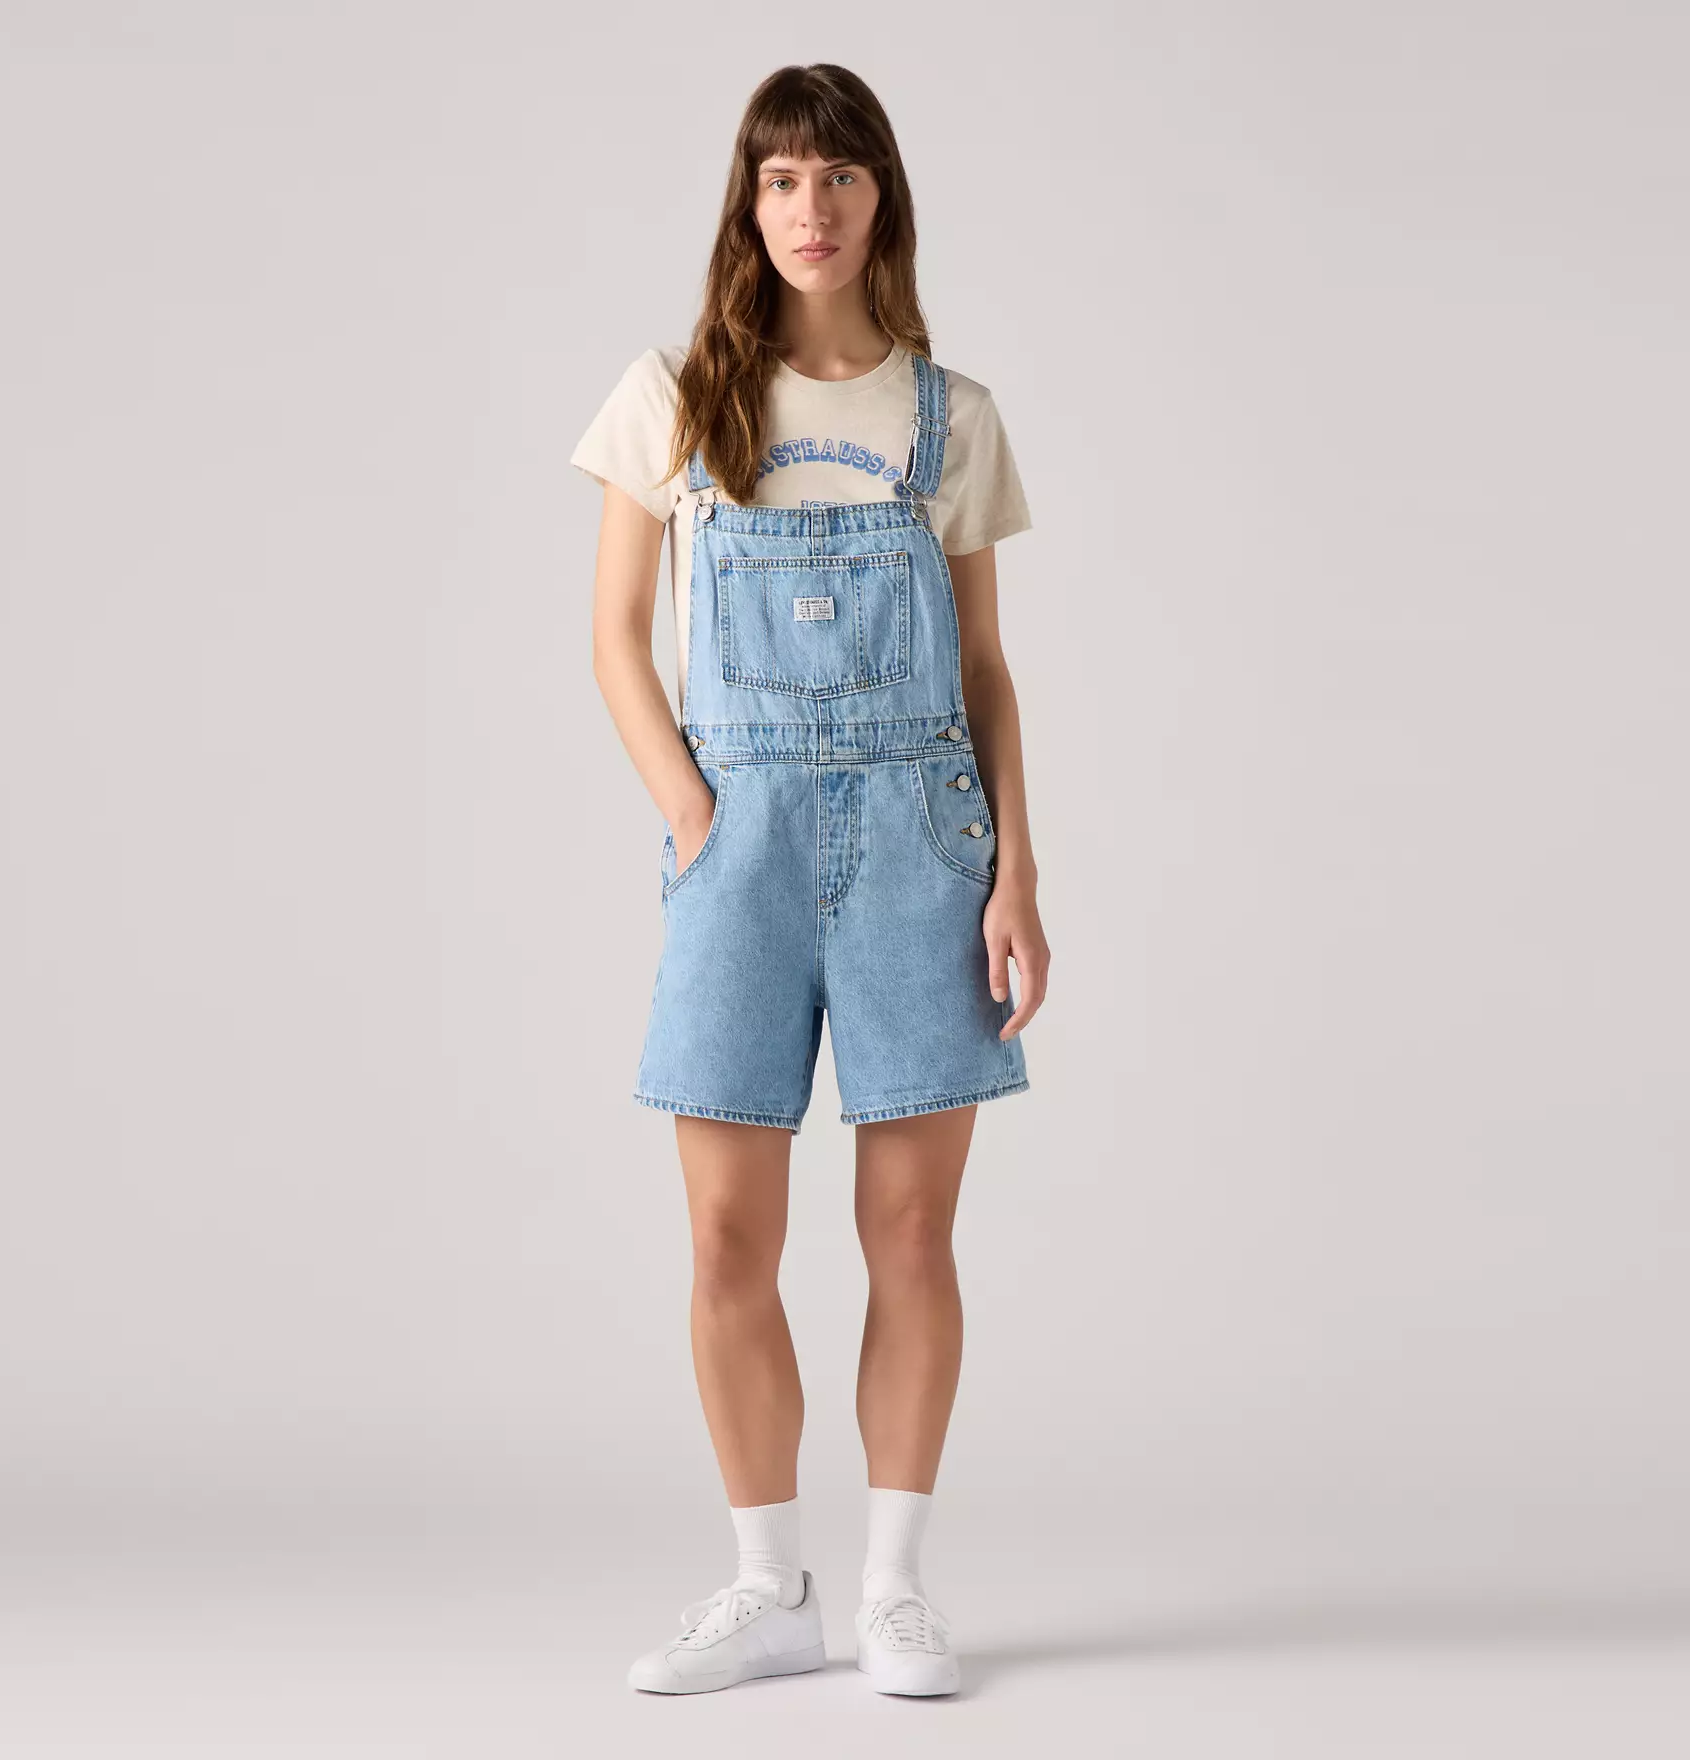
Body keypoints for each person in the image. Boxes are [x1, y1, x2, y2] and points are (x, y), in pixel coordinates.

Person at [569, 63, 1049, 1697]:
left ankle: (897, 1589)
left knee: (910, 1232)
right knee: (725, 1238)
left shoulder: (950, 415)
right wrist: (695, 818)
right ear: (748, 202)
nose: (811, 209)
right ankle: (769, 1587)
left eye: (839, 177)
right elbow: (612, 642)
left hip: (925, 839)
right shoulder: (675, 395)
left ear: (880, 199)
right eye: (781, 179)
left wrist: (1016, 874)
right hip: (742, 844)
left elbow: (985, 670)